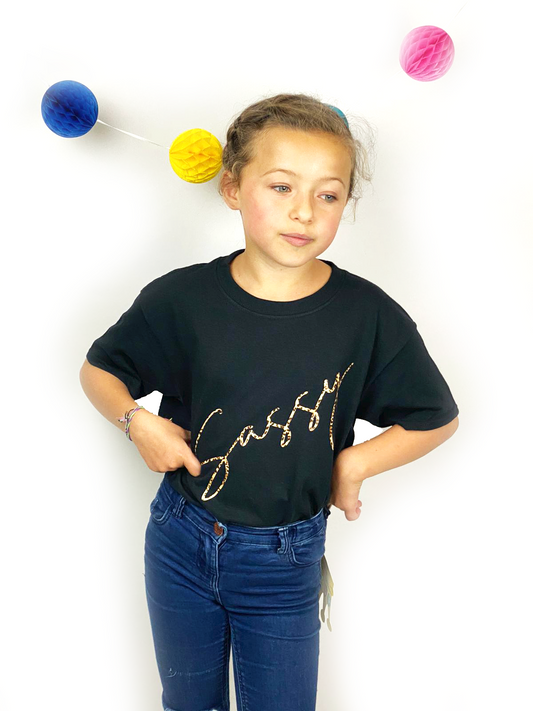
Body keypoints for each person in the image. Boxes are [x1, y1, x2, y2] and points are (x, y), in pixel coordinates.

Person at [79, 92, 459, 711]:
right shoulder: (183, 298)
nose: (303, 211)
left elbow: (435, 419)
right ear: (232, 187)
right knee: (188, 703)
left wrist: (353, 464)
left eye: (328, 195)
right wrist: (137, 421)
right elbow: (99, 371)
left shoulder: (368, 317)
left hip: (283, 560)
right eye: (281, 187)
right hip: (179, 538)